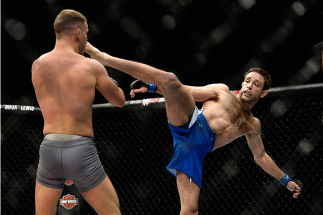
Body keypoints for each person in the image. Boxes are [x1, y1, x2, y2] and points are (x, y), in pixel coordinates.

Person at [84, 42, 302, 215]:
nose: (248, 86)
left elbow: (261, 156)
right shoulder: (222, 92)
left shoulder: (252, 124)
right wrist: (153, 87)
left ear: (263, 93)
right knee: (171, 80)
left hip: (193, 152)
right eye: (247, 81)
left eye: (256, 84)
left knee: (190, 210)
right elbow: (186, 91)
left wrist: (285, 180)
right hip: (190, 123)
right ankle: (104, 57)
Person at [31, 10, 125, 215]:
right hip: (80, 150)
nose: (86, 39)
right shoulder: (91, 66)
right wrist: (109, 76)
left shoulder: (37, 65)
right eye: (87, 34)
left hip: (50, 148)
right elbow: (119, 101)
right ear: (78, 32)